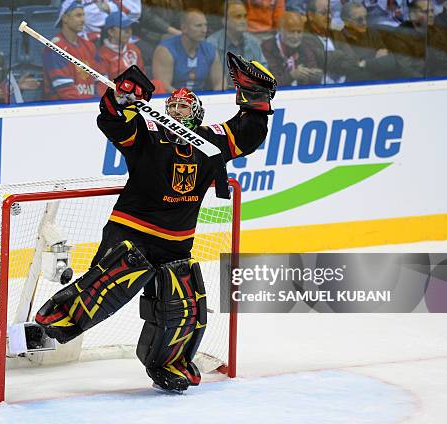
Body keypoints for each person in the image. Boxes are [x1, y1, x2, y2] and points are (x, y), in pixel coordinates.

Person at [35, 53, 276, 393]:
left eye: (185, 108)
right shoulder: (148, 133)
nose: (177, 111)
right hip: (131, 231)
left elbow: (248, 133)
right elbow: (116, 123)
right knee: (109, 284)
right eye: (173, 107)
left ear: (198, 114)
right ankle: (59, 315)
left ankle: (169, 362)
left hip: (177, 242)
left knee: (184, 307)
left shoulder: (211, 141)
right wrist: (121, 100)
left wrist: (256, 98)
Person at [43, 0, 103, 100]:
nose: (83, 20)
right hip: (63, 109)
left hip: (91, 106)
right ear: (65, 18)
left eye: (83, 15)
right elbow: (65, 91)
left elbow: (102, 80)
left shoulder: (90, 46)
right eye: (78, 15)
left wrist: (98, 103)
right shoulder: (55, 48)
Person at [152, 9, 223, 92]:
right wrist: (186, 99)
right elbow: (163, 86)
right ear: (184, 28)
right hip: (172, 100)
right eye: (198, 26)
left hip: (202, 99)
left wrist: (215, 98)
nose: (204, 30)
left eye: (205, 25)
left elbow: (220, 82)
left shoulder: (210, 50)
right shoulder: (165, 50)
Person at [383, 0, 447, 77]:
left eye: (432, 11)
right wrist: (429, 84)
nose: (431, 15)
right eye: (426, 12)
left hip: (436, 82)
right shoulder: (399, 36)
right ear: (412, 16)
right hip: (414, 85)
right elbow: (405, 70)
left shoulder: (437, 33)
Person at [207, 0, 269, 89]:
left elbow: (263, 72)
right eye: (238, 17)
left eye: (245, 16)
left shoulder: (254, 42)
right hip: (222, 95)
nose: (243, 20)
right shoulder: (212, 44)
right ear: (224, 20)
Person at [332, 2, 397, 81]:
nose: (364, 22)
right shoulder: (340, 39)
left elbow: (390, 62)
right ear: (346, 21)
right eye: (359, 20)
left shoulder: (372, 33)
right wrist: (375, 58)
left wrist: (364, 63)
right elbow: (353, 71)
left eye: (366, 17)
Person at [262, 11, 324, 86]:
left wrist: (316, 75)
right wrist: (292, 76)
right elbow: (270, 83)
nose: (296, 37)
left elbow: (312, 66)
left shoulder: (305, 45)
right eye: (291, 32)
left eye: (299, 32)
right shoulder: (267, 48)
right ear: (280, 30)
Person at [99, 11, 145, 79]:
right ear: (111, 32)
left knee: (158, 84)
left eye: (130, 27)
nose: (128, 31)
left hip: (137, 87)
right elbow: (103, 85)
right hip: (117, 88)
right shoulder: (102, 55)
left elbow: (143, 76)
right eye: (123, 28)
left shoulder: (134, 48)